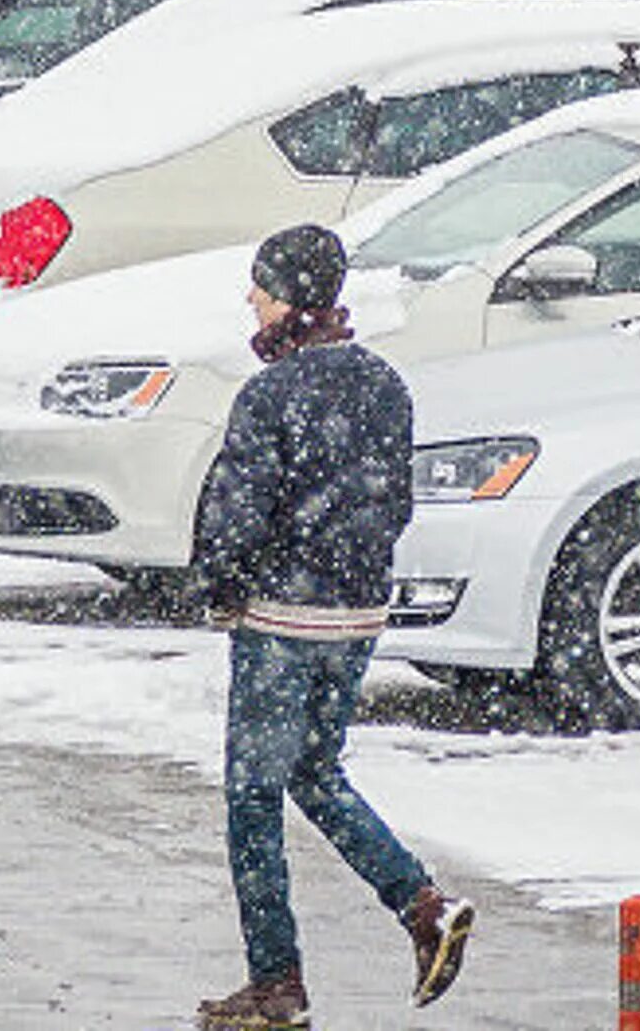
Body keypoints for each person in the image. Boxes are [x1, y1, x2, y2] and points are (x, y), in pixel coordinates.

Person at [193, 224, 474, 1031]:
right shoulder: (384, 382)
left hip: (283, 614)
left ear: (292, 297)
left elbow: (238, 513)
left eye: (262, 284)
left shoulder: (270, 394)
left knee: (252, 796)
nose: (251, 297)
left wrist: (223, 588)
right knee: (314, 772)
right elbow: (394, 501)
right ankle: (423, 906)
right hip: (357, 614)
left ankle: (275, 981)